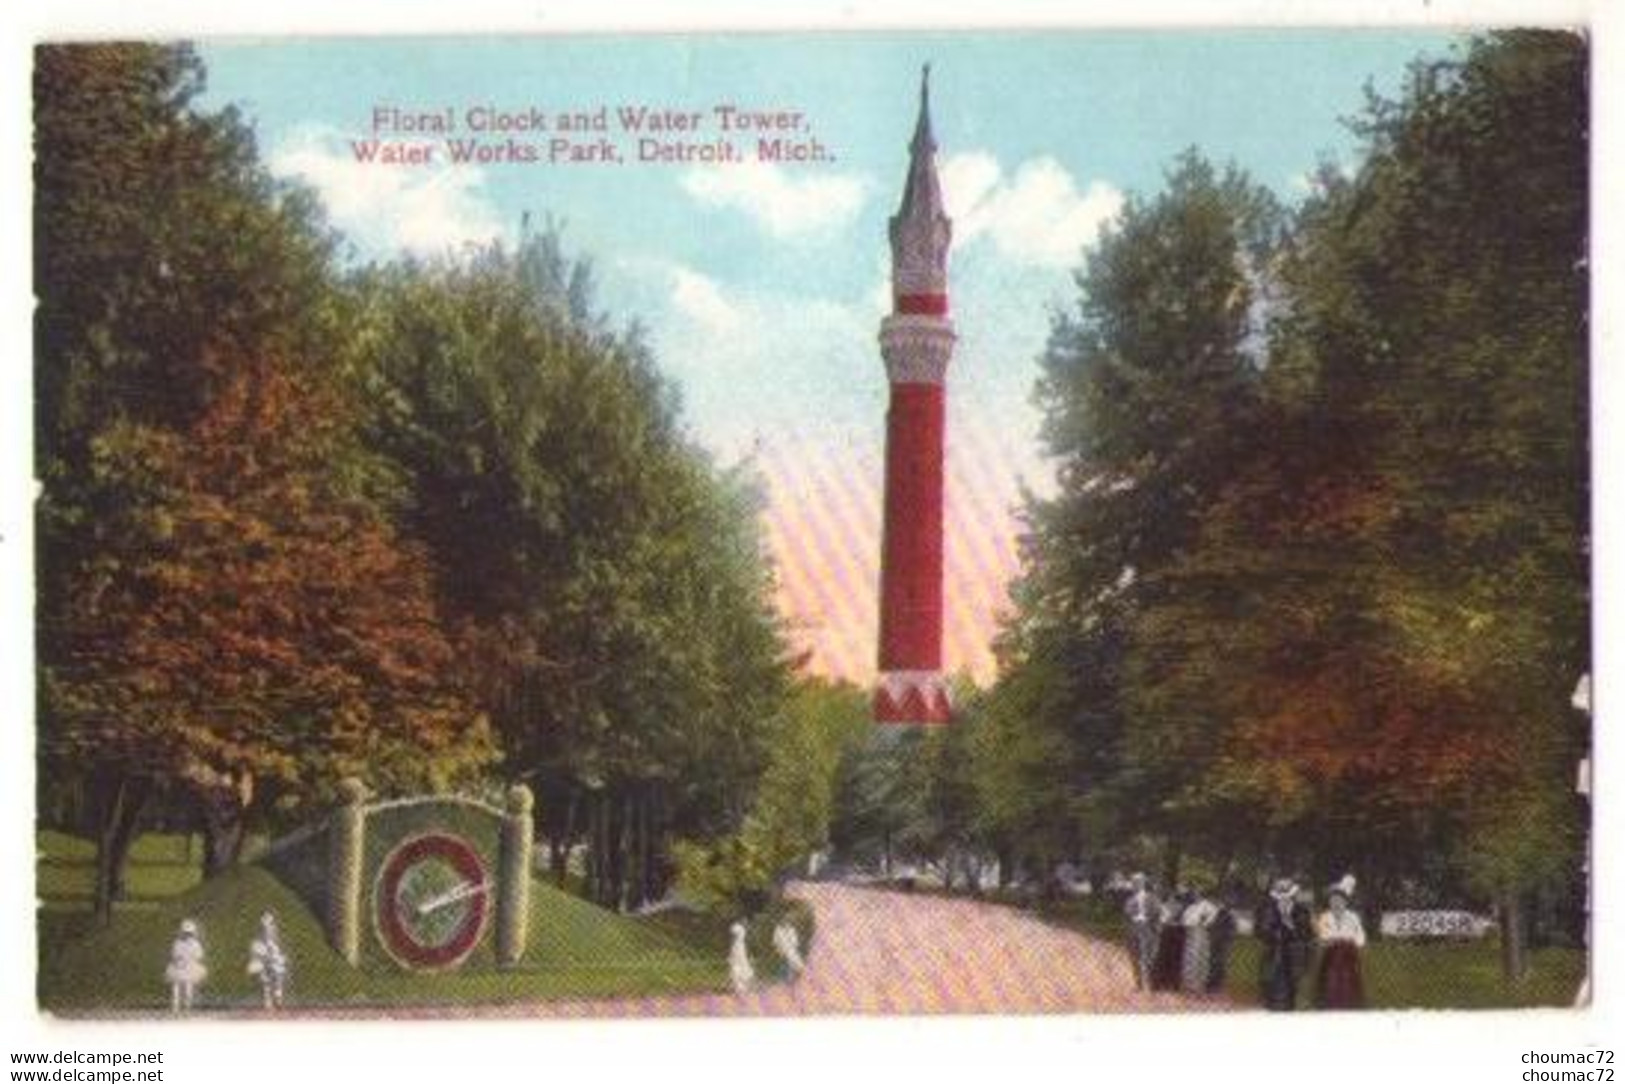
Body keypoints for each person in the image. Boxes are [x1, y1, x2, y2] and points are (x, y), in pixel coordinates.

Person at [1255, 877, 1312, 1010]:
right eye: (1280, 895)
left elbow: (1307, 934)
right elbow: (1258, 931)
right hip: (1272, 954)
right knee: (1270, 987)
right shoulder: (1267, 910)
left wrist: (1292, 927)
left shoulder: (1302, 911)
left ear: (1293, 895)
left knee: (1292, 989)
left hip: (1294, 955)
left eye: (1288, 895)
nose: (1284, 898)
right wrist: (1272, 932)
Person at [1314, 875, 1367, 1009]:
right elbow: (1323, 937)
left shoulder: (1353, 917)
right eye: (1333, 900)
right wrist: (1339, 939)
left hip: (1348, 958)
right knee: (1330, 986)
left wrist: (1348, 941)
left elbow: (1360, 938)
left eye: (1339, 900)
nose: (1336, 903)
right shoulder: (1324, 917)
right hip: (1330, 958)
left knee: (1349, 988)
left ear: (1345, 902)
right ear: (1329, 902)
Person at [1122, 872, 1162, 991]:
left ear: (1143, 883)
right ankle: (1138, 984)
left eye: (1138, 882)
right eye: (1134, 882)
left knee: (1149, 958)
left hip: (1148, 930)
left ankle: (1151, 983)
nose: (1135, 885)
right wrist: (1134, 919)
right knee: (1134, 958)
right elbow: (1127, 913)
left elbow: (1157, 912)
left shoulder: (1152, 898)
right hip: (1134, 930)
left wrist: (1149, 920)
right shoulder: (1129, 900)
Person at [1180, 887, 1221, 994]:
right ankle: (1189, 984)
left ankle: (1199, 985)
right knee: (1189, 958)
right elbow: (1184, 919)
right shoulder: (1190, 907)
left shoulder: (1208, 905)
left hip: (1202, 933)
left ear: (1201, 894)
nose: (1195, 895)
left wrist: (1204, 922)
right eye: (1193, 894)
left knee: (1200, 958)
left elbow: (1214, 915)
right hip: (1191, 933)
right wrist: (1189, 923)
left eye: (1197, 893)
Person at [1149, 888, 1190, 991]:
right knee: (1164, 957)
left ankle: (1172, 983)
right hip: (1168, 931)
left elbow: (1179, 920)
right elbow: (1162, 920)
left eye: (1175, 898)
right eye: (1171, 898)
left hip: (1177, 932)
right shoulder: (1166, 906)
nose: (1172, 900)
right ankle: (1161, 983)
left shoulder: (1181, 908)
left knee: (1174, 958)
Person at [247, 911, 289, 1010]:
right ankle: (267, 1000)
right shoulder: (256, 943)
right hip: (262, 966)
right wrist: (265, 961)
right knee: (262, 972)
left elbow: (278, 958)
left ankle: (278, 998)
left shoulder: (275, 944)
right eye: (265, 927)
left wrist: (279, 959)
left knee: (278, 970)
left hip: (272, 965)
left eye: (271, 925)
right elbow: (256, 960)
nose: (269, 929)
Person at [164, 918, 207, 1014]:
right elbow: (174, 954)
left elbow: (199, 956)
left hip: (188, 967)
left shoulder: (194, 944)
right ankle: (176, 1008)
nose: (188, 936)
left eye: (189, 934)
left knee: (187, 988)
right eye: (186, 933)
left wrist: (186, 959)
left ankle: (185, 1008)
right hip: (180, 967)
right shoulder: (178, 942)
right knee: (177, 989)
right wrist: (180, 960)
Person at [1205, 891, 1237, 994]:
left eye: (1222, 903)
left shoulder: (1229, 916)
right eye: (1220, 903)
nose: (1220, 905)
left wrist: (1226, 940)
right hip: (1216, 942)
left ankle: (1216, 986)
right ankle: (1212, 985)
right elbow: (1213, 927)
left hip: (1223, 944)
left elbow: (1231, 931)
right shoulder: (1219, 914)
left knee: (1220, 964)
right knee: (1213, 963)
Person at [728, 920, 755, 994]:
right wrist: (731, 952)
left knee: (744, 965)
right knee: (736, 966)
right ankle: (738, 987)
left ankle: (745, 986)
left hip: (741, 947)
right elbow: (732, 938)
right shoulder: (736, 927)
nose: (746, 922)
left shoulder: (743, 929)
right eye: (744, 920)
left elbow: (745, 941)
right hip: (737, 948)